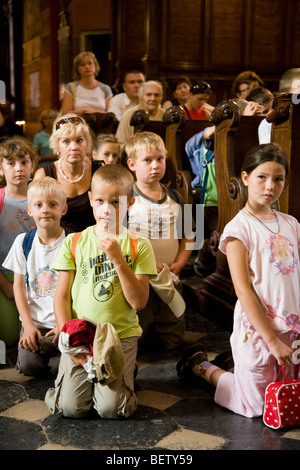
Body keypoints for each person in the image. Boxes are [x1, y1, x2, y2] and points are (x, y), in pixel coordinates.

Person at [177, 143, 300, 418]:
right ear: (245, 178)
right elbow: (243, 291)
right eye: (262, 177)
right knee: (256, 407)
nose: (270, 185)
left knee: (284, 396)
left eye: (278, 179)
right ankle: (203, 368)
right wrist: (271, 339)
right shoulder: (238, 230)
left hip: (290, 326)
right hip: (258, 329)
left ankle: (238, 367)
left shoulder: (292, 224)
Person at [45, 164, 157, 419]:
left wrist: (118, 260)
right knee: (72, 409)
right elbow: (61, 297)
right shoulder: (74, 242)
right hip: (82, 335)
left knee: (110, 410)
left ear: (130, 204)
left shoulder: (139, 245)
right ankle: (72, 386)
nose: (107, 209)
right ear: (90, 201)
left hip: (120, 335)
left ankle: (124, 376)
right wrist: (70, 341)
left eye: (116, 203)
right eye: (100, 201)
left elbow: (138, 302)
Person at [126, 131, 194, 350]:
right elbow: (117, 238)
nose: (155, 165)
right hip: (139, 277)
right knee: (139, 335)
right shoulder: (124, 198)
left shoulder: (176, 196)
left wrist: (181, 263)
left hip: (170, 275)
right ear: (132, 164)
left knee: (172, 340)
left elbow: (193, 235)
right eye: (147, 160)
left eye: (160, 159)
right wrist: (141, 264)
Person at [2, 177, 68, 376]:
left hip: (62, 321)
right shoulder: (23, 242)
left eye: (52, 204)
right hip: (35, 322)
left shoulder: (73, 242)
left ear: (63, 209)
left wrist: (63, 325)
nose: (45, 210)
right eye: (39, 205)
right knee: (31, 367)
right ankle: (29, 347)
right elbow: (19, 287)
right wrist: (28, 325)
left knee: (59, 368)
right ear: (30, 211)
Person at [33, 114, 103, 232]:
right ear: (57, 146)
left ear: (87, 144)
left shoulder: (100, 170)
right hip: (58, 241)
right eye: (66, 141)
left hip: (95, 240)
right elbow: (38, 218)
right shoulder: (43, 175)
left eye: (79, 140)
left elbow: (114, 209)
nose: (74, 147)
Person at [0, 136, 37, 347]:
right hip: (5, 276)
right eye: (11, 163)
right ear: (1, 169)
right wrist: (4, 284)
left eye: (24, 162)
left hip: (35, 276)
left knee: (32, 331)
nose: (18, 169)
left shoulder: (40, 195)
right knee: (9, 336)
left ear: (33, 166)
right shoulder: (0, 200)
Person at [60, 51, 113, 116]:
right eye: (83, 65)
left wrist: (90, 111)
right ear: (78, 69)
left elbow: (111, 114)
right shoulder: (71, 87)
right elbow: (65, 112)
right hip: (78, 124)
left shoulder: (105, 88)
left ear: (95, 66)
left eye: (90, 63)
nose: (87, 67)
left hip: (100, 125)